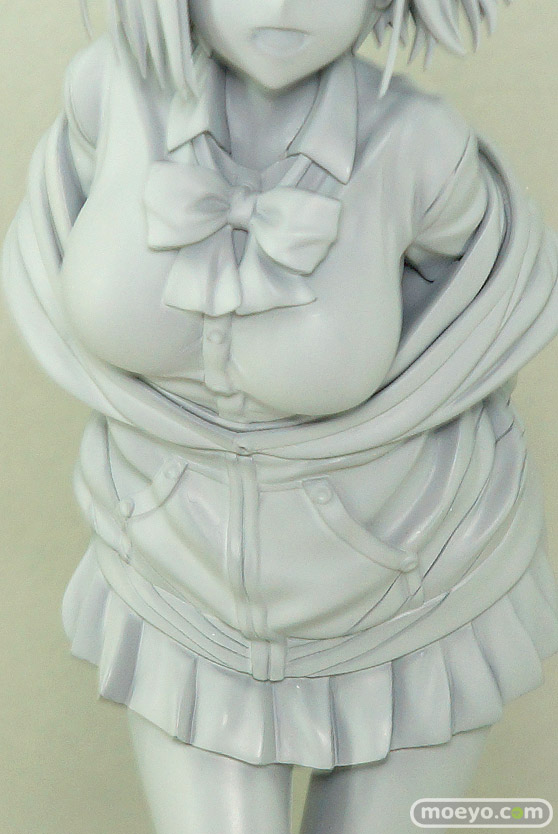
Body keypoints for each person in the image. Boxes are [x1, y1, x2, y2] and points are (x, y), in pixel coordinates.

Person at [3, 1, 558, 832]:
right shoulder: (107, 92)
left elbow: (481, 320)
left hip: (409, 601)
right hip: (179, 587)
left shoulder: (422, 147)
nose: (284, 5)